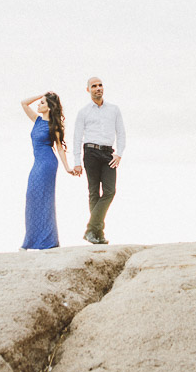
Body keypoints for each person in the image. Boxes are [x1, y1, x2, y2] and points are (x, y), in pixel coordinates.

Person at [72, 77, 126, 245]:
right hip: (90, 152)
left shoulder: (114, 109)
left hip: (108, 154)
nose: (98, 88)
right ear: (88, 90)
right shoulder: (83, 112)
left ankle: (90, 229)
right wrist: (76, 161)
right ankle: (98, 234)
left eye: (100, 85)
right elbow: (77, 137)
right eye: (94, 86)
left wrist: (120, 153)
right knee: (94, 192)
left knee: (110, 191)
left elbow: (121, 132)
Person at [20, 92, 75, 250]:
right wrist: (40, 95)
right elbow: (23, 103)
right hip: (37, 163)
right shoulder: (36, 120)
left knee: (45, 200)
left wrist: (67, 168)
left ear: (50, 107)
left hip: (48, 164)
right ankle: (31, 241)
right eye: (40, 103)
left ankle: (47, 241)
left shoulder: (54, 125)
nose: (38, 105)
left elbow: (59, 147)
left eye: (43, 103)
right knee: (32, 197)